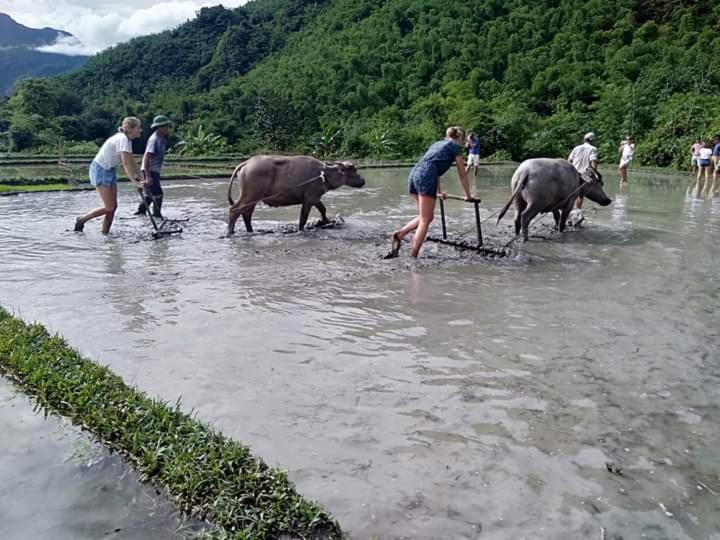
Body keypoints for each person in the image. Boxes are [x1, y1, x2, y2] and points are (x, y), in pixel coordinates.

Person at [385, 126, 473, 259]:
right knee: (426, 219)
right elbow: (462, 173)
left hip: (415, 173)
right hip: (426, 176)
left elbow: (433, 168)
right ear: (460, 138)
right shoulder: (455, 147)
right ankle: (413, 255)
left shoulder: (437, 144)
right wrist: (468, 195)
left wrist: (439, 192)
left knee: (425, 216)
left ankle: (400, 234)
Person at [74, 117, 144, 234]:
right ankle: (81, 219)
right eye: (138, 127)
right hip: (100, 170)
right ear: (129, 129)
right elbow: (126, 163)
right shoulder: (122, 139)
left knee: (113, 207)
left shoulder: (127, 140)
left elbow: (132, 161)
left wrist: (142, 177)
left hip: (109, 170)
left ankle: (105, 233)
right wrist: (136, 182)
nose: (140, 130)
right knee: (109, 207)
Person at [136, 115, 172, 218]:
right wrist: (148, 176)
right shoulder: (154, 139)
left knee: (150, 193)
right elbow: (147, 157)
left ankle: (141, 211)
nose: (167, 128)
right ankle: (157, 215)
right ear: (160, 127)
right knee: (158, 194)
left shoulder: (162, 138)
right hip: (149, 170)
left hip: (153, 170)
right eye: (166, 126)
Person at [567, 132, 599, 222]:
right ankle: (577, 212)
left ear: (584, 139)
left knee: (569, 194)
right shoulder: (593, 149)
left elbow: (569, 161)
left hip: (572, 173)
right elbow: (593, 163)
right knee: (580, 195)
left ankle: (567, 211)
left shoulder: (576, 148)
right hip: (584, 175)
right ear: (592, 141)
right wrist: (594, 176)